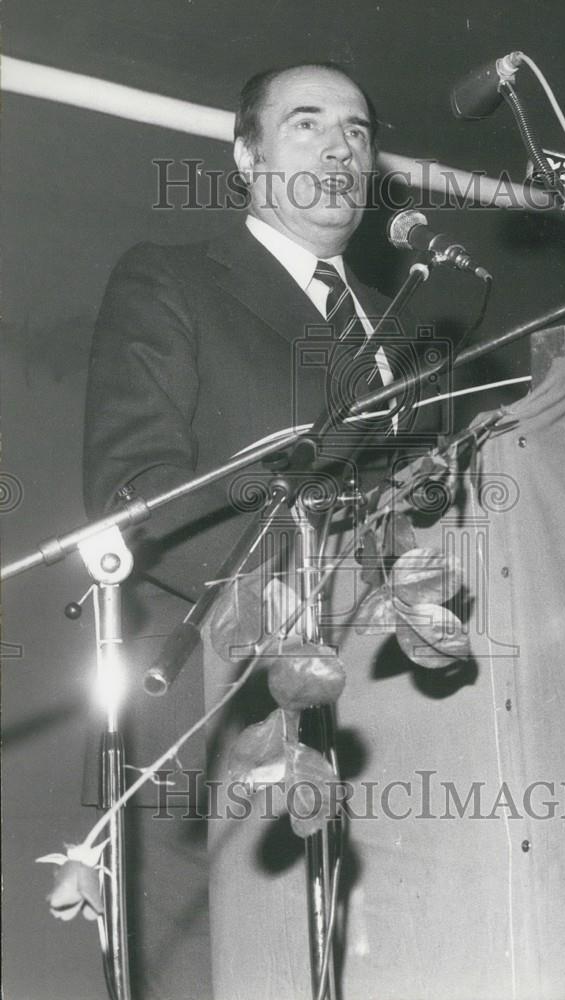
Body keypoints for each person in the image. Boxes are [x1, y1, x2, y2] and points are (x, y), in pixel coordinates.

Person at [82, 61, 441, 999]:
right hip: (213, 694)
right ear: (245, 155)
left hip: (380, 713)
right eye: (307, 124)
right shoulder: (170, 278)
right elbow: (137, 482)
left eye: (358, 132)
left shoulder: (403, 333)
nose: (340, 147)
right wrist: (286, 593)